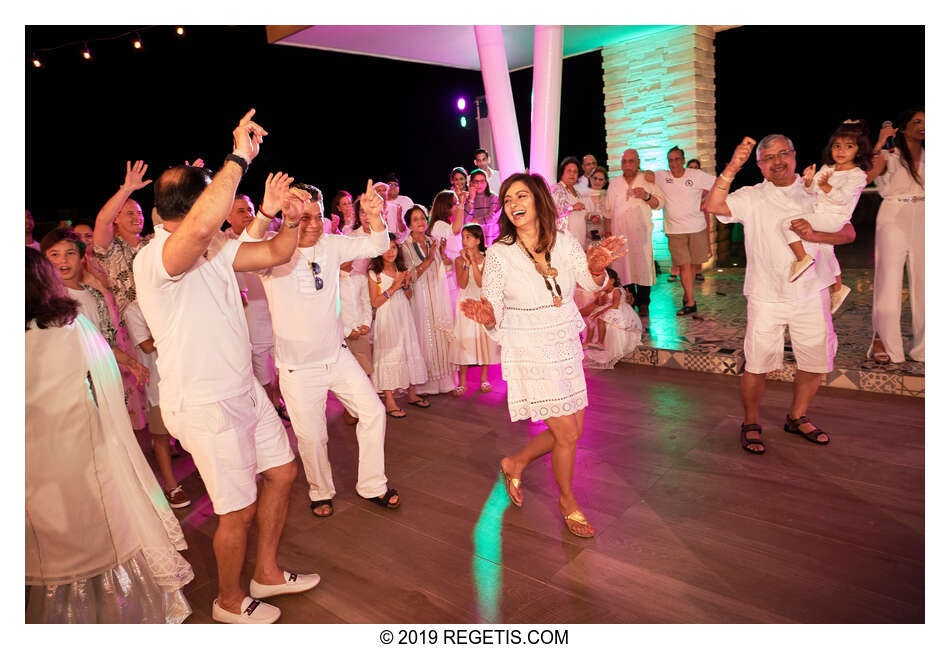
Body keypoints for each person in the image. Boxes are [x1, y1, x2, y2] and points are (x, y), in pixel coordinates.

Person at [133, 110, 319, 624]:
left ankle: (267, 574)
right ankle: (228, 601)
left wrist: (293, 217)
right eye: (212, 195)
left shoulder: (216, 248)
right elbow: (195, 232)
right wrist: (238, 157)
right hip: (205, 403)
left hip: (243, 391)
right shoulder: (155, 260)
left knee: (281, 473)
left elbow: (276, 251)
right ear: (194, 207)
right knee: (236, 508)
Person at [26, 248, 194, 623]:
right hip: (81, 445)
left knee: (52, 536)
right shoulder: (71, 325)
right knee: (100, 526)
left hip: (32, 456)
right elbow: (103, 376)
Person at [460, 173, 627, 538]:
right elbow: (494, 305)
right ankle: (568, 501)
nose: (513, 204)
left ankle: (515, 462)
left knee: (574, 429)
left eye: (521, 196)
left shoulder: (565, 241)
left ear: (537, 201)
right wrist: (488, 317)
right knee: (567, 432)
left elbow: (588, 281)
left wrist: (598, 267)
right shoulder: (500, 254)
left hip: (563, 340)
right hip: (527, 344)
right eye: (507, 200)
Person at [242, 176, 399, 517]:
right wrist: (269, 213)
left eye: (317, 215)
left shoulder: (333, 244)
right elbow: (243, 250)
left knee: (372, 413)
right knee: (313, 439)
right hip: (298, 369)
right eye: (303, 215)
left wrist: (375, 216)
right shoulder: (273, 249)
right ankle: (320, 491)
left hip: (337, 357)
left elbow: (376, 244)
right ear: (289, 214)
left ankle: (373, 484)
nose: (311, 224)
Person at [704, 134, 857, 455]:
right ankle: (750, 422)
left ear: (794, 155)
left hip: (811, 292)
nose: (777, 161)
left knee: (815, 360)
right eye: (768, 157)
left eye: (783, 153)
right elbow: (714, 205)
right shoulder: (752, 196)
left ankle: (797, 416)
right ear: (759, 165)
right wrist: (733, 166)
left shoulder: (816, 188)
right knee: (756, 363)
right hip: (765, 294)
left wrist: (816, 234)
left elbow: (848, 231)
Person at [784, 120, 871, 313]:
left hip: (834, 218)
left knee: (787, 222)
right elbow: (812, 191)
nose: (841, 151)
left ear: (859, 150)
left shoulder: (857, 175)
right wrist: (808, 183)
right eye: (837, 146)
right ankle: (838, 288)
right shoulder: (828, 168)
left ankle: (802, 258)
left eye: (849, 146)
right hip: (819, 214)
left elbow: (842, 198)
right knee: (825, 251)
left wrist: (826, 187)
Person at [866, 108, 925, 364]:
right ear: (903, 127)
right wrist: (879, 143)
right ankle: (886, 344)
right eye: (917, 121)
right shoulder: (890, 153)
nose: (923, 126)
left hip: (926, 212)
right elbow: (866, 174)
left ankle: (925, 349)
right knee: (888, 281)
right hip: (893, 211)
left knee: (927, 283)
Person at [225, 192, 289, 421]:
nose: (248, 215)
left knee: (284, 366)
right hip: (249, 316)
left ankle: (279, 400)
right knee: (261, 368)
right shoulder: (225, 245)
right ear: (228, 217)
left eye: (250, 209)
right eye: (241, 211)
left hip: (278, 312)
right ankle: (268, 408)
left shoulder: (272, 237)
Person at [369, 234, 429, 416]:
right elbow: (375, 302)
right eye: (387, 248)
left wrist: (406, 285)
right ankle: (390, 400)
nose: (390, 252)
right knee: (389, 353)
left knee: (407, 350)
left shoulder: (401, 268)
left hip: (403, 313)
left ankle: (412, 393)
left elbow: (408, 296)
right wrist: (393, 287)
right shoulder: (375, 273)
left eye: (394, 248)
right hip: (387, 316)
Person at [651, 146, 716, 316]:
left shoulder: (695, 175)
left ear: (683, 159)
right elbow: (646, 175)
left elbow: (717, 184)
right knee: (684, 265)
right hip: (675, 230)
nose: (674, 163)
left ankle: (688, 295)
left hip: (697, 228)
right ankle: (691, 302)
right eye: (671, 160)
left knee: (694, 265)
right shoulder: (662, 176)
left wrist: (706, 201)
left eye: (677, 159)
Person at [402, 204, 457, 395]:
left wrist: (442, 255)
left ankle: (444, 380)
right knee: (424, 334)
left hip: (437, 293)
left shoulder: (432, 240)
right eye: (415, 219)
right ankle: (425, 383)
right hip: (419, 297)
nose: (420, 222)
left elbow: (447, 270)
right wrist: (429, 259)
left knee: (440, 332)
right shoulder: (406, 246)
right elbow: (410, 275)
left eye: (423, 218)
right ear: (408, 224)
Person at [604, 148, 664, 317]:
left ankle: (644, 302)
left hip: (641, 235)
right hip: (620, 236)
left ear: (638, 162)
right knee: (623, 268)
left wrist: (646, 196)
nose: (628, 164)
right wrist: (608, 232)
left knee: (643, 266)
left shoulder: (646, 179)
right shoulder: (615, 183)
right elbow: (608, 211)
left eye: (631, 161)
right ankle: (630, 299)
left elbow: (659, 204)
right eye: (624, 161)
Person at [450, 223, 500, 395]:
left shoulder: (487, 258)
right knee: (464, 341)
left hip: (482, 302)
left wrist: (473, 261)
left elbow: (480, 282)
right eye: (463, 237)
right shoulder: (458, 259)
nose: (464, 241)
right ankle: (462, 382)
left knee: (484, 340)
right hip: (465, 302)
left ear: (478, 240)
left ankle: (484, 379)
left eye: (468, 237)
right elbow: (462, 283)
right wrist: (466, 263)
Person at [579, 267, 641, 369]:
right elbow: (600, 304)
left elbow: (615, 306)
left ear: (611, 281)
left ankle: (600, 342)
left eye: (603, 282)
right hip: (609, 309)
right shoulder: (604, 292)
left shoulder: (616, 290)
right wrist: (599, 302)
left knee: (600, 318)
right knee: (591, 318)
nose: (600, 285)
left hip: (617, 311)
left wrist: (601, 311)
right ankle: (588, 342)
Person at [429, 190, 465, 304]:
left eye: (457, 203)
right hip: (448, 271)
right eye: (454, 204)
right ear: (445, 207)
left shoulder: (447, 224)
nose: (456, 207)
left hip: (456, 267)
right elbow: (455, 230)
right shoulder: (438, 225)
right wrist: (461, 206)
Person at [551, 156, 589, 246]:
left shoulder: (578, 193)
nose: (572, 174)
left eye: (575, 172)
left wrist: (590, 217)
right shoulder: (556, 188)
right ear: (562, 173)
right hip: (565, 241)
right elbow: (553, 210)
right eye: (569, 171)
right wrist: (572, 207)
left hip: (580, 239)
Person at [464, 168, 500, 246]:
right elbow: (466, 221)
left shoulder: (493, 197)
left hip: (491, 238)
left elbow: (492, 218)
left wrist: (476, 220)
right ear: (471, 183)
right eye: (476, 182)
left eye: (482, 181)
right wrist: (471, 199)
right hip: (473, 239)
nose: (479, 185)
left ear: (486, 182)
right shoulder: (467, 199)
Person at [583, 166, 609, 245]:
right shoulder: (583, 196)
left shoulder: (608, 196)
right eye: (595, 178)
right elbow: (580, 217)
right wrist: (587, 233)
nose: (597, 181)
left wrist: (604, 232)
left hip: (604, 237)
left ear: (605, 182)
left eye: (601, 179)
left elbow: (611, 218)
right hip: (587, 237)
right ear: (590, 179)